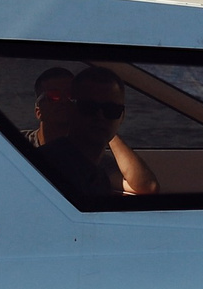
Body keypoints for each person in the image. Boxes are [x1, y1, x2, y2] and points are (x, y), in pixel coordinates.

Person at [35, 64, 160, 198]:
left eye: (111, 110)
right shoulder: (47, 167)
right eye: (89, 107)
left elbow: (148, 187)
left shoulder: (98, 174)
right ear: (71, 110)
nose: (100, 117)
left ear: (122, 116)